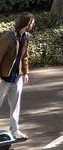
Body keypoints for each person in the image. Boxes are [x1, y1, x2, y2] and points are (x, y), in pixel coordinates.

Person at [0, 12, 35, 142]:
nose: (33, 24)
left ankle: (14, 130)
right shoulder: (8, 37)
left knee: (15, 105)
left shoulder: (26, 37)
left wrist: (25, 72)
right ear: (26, 23)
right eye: (32, 22)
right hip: (4, 77)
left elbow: (24, 56)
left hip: (17, 76)